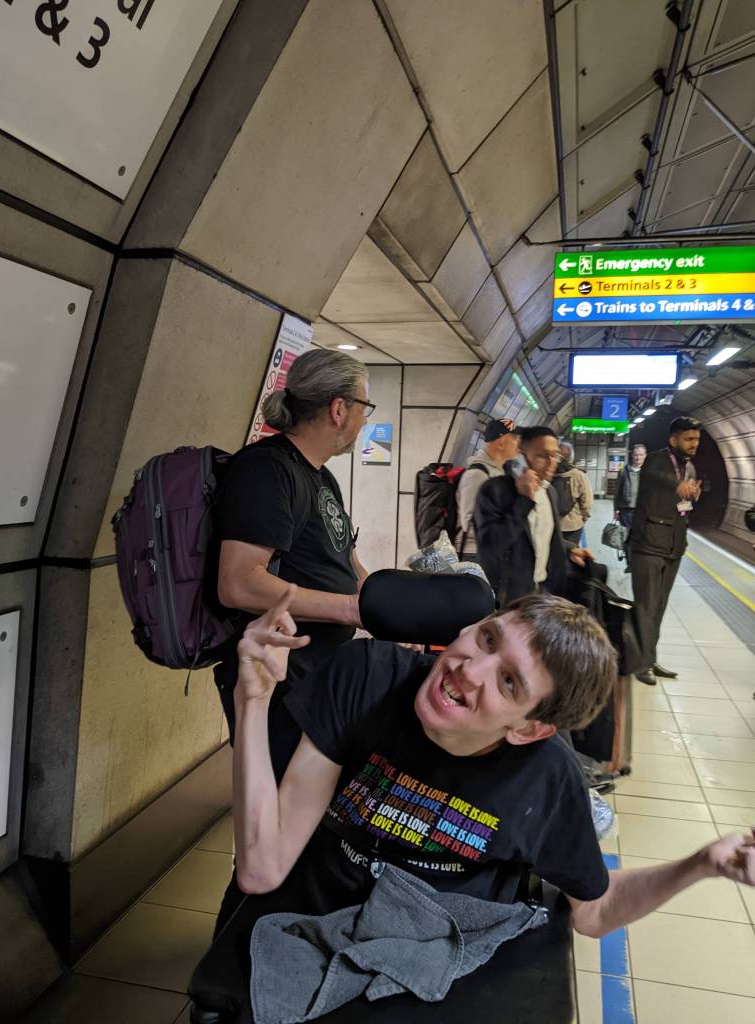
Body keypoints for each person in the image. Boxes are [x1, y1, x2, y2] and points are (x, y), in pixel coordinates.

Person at [230, 589, 755, 951]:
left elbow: (594, 912)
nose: (468, 670)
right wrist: (252, 699)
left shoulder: (545, 784)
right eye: (487, 639)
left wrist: (702, 864)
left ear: (528, 729)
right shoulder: (366, 678)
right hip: (314, 921)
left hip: (431, 950)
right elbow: (263, 868)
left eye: (509, 683)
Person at [211, 347, 372, 931]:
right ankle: (232, 957)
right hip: (275, 679)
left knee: (307, 820)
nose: (363, 418)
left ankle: (280, 934)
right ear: (337, 408)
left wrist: (394, 607)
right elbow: (239, 581)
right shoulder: (266, 470)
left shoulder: (321, 476)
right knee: (271, 825)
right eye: (362, 405)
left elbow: (346, 563)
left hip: (319, 676)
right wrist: (348, 607)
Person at [473, 426, 592, 606]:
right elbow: (490, 546)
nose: (552, 462)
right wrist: (523, 501)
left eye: (556, 455)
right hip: (508, 598)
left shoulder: (549, 491)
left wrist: (568, 549)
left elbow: (542, 533)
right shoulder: (495, 490)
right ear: (522, 457)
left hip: (544, 592)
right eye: (543, 456)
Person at [630, 418, 702, 686]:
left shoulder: (689, 466)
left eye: (696, 440)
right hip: (648, 545)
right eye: (689, 439)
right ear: (673, 440)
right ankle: (640, 663)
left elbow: (682, 497)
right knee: (646, 607)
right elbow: (655, 477)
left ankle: (650, 658)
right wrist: (677, 485)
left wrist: (692, 493)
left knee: (658, 607)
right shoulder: (656, 460)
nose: (694, 444)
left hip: (673, 546)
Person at [455, 418, 520, 560]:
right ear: (501, 442)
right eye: (514, 438)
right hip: (475, 554)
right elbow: (470, 524)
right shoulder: (477, 475)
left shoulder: (501, 472)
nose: (518, 442)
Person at [552, 441, 593, 545]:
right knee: (572, 553)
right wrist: (584, 517)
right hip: (573, 524)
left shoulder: (549, 473)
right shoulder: (579, 475)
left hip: (553, 523)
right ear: (571, 457)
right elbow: (587, 500)